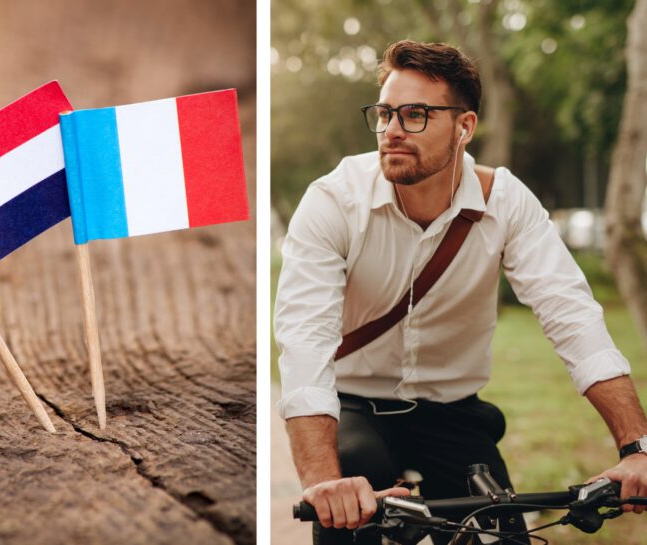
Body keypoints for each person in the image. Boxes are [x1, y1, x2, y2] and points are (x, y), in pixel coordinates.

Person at [274, 40, 647, 545]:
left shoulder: (507, 202)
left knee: (502, 532)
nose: (392, 131)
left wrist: (637, 447)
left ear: (464, 127)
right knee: (350, 485)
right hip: (355, 406)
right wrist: (322, 482)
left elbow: (574, 319)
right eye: (384, 114)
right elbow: (304, 341)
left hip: (453, 412)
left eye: (416, 115)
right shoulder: (334, 200)